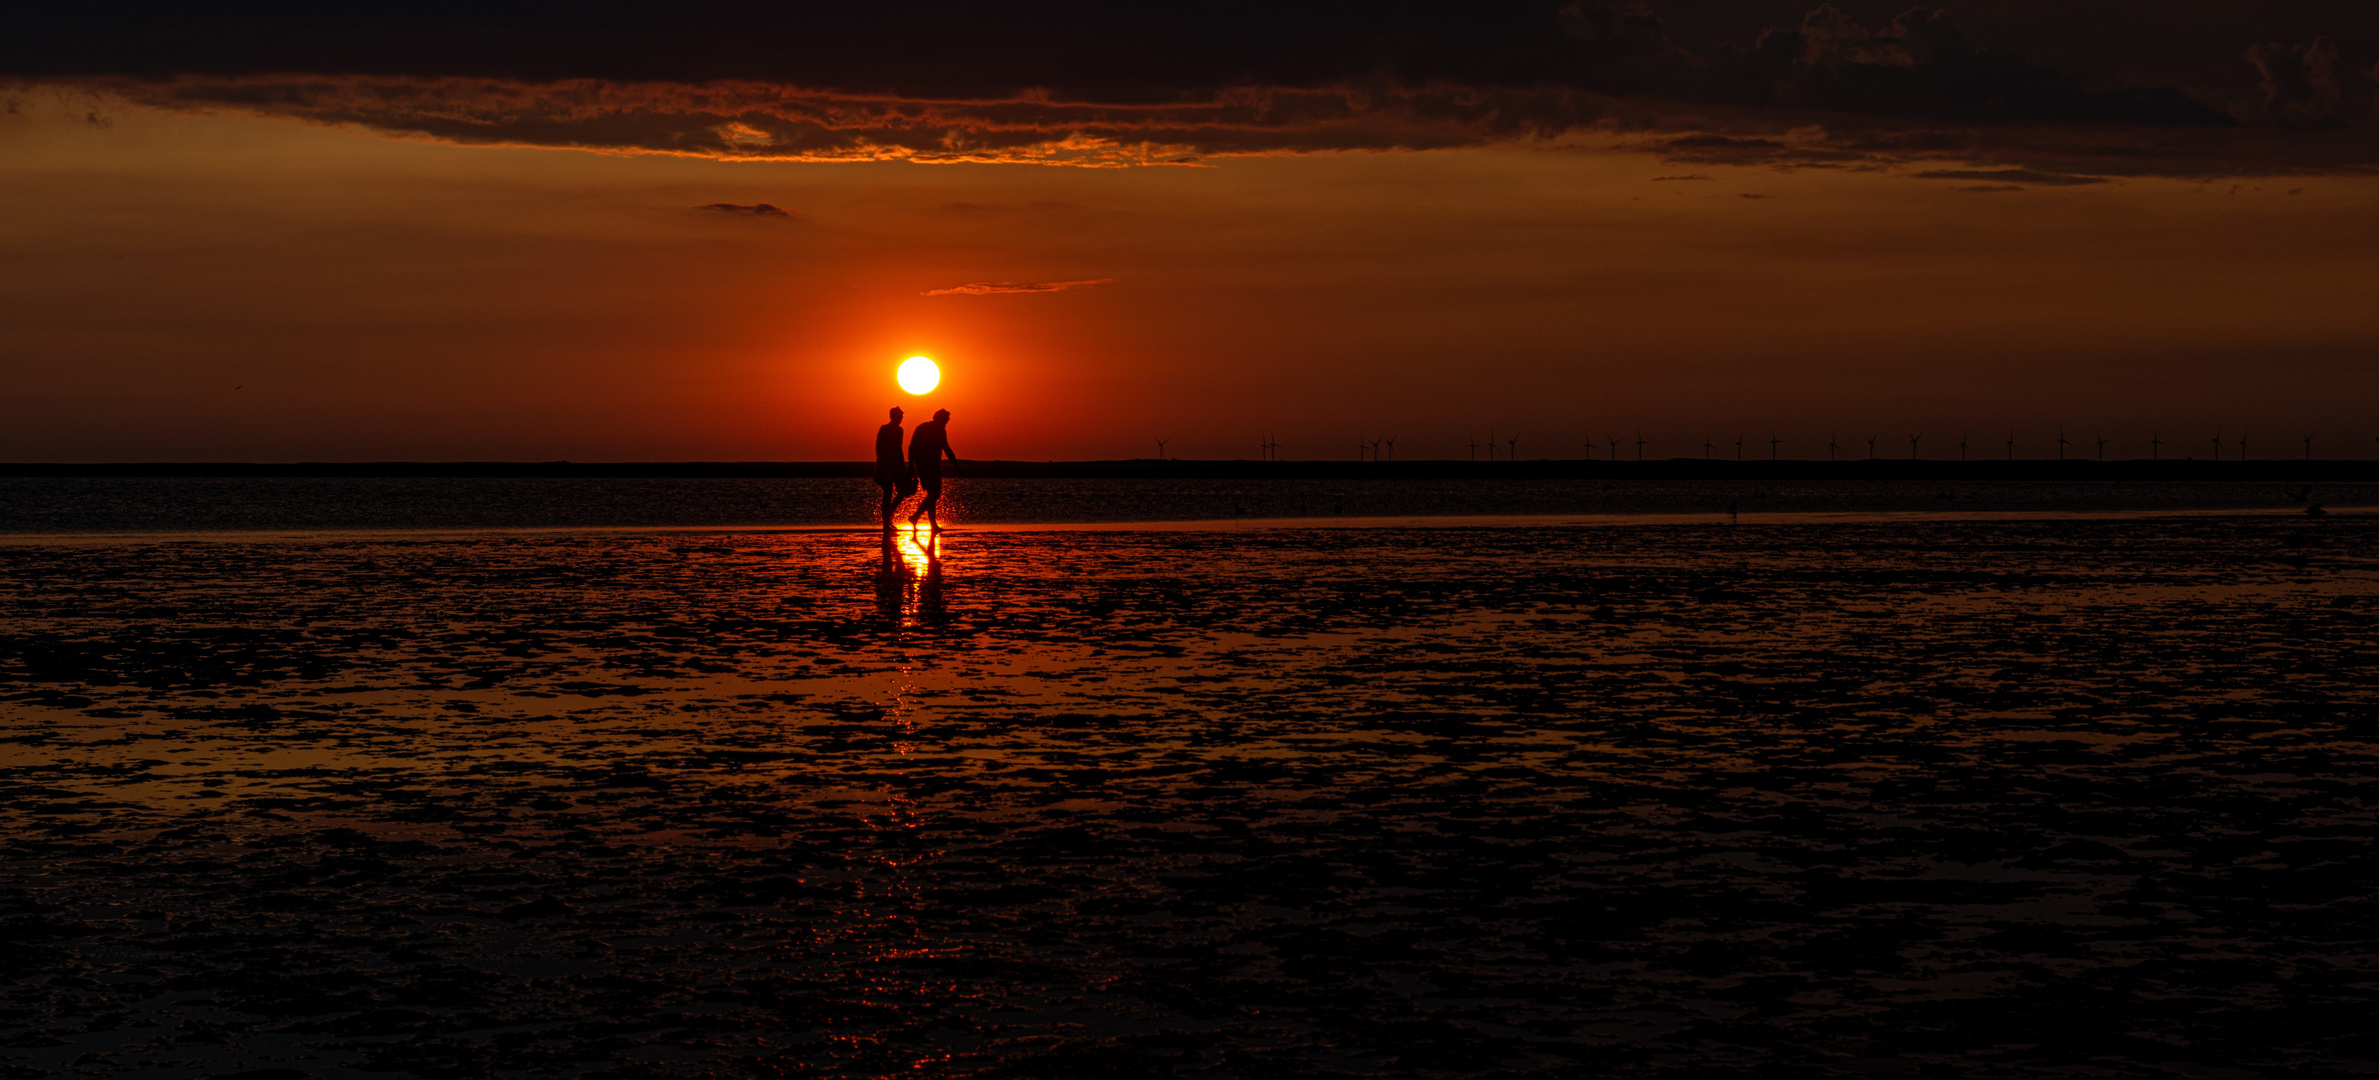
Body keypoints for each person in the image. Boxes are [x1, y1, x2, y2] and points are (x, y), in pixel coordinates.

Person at [907, 408, 963, 530]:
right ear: (938, 419)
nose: (946, 423)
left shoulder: (939, 430)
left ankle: (926, 522)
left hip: (932, 466)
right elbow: (912, 447)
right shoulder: (924, 428)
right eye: (945, 421)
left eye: (946, 421)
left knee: (933, 494)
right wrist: (911, 466)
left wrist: (956, 465)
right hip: (925, 466)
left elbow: (946, 449)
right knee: (934, 494)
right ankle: (917, 517)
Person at [874, 406, 912, 529]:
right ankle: (886, 520)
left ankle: (888, 516)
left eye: (901, 417)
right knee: (888, 493)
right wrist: (884, 465)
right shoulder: (885, 429)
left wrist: (902, 466)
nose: (900, 419)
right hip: (885, 466)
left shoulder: (900, 430)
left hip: (896, 465)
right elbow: (879, 448)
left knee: (901, 492)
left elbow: (899, 449)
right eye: (899, 417)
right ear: (892, 417)